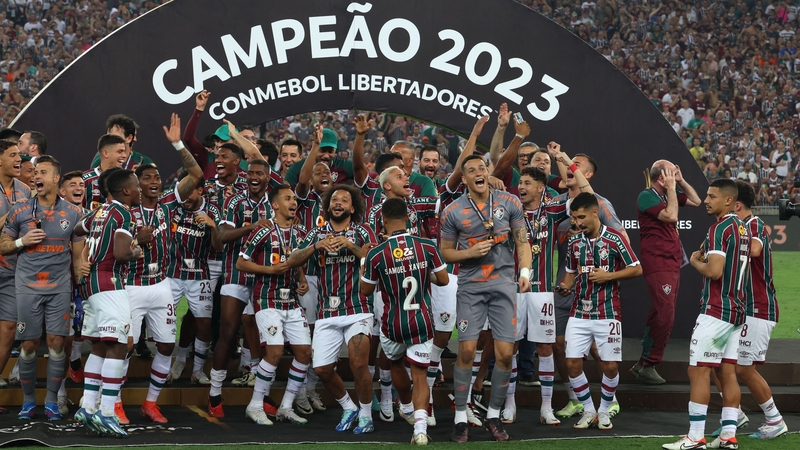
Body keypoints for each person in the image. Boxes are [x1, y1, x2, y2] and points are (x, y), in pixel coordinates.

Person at [440, 154, 532, 443]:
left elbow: (522, 242)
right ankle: (459, 417)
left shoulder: (510, 202)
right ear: (464, 178)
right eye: (471, 170)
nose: (479, 172)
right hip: (471, 287)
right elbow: (445, 253)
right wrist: (469, 253)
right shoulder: (452, 211)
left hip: (504, 285)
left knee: (505, 354)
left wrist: (526, 271)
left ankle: (493, 415)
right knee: (466, 352)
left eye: (483, 168)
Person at [126, 114, 207, 424]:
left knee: (165, 343)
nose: (155, 182)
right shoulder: (126, 211)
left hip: (161, 283)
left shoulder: (168, 204)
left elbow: (196, 173)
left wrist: (177, 143)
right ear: (135, 183)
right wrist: (135, 237)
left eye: (157, 178)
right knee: (127, 346)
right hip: (132, 284)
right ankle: (114, 404)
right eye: (148, 178)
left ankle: (150, 402)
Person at [506, 146, 594, 426]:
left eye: (527, 183)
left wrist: (565, 161)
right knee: (509, 349)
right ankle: (509, 404)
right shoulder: (509, 208)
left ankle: (546, 407)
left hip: (543, 290)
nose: (521, 187)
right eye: (520, 182)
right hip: (513, 289)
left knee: (544, 348)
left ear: (542, 187)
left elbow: (584, 194)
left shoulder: (553, 208)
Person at [663, 179, 749, 450]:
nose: (706, 200)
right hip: (738, 309)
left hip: (716, 309)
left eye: (712, 196)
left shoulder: (719, 228)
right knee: (728, 374)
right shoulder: (743, 228)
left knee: (698, 371)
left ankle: (695, 437)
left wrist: (696, 262)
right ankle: (728, 438)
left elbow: (714, 271)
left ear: (728, 201)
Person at [286, 185, 376, 434]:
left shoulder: (362, 231)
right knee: (322, 369)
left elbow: (374, 259)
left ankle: (366, 416)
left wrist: (350, 246)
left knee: (358, 364)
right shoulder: (316, 233)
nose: (338, 203)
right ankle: (349, 408)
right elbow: (292, 260)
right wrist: (317, 247)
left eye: (344, 200)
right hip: (327, 311)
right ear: (327, 207)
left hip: (358, 307)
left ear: (353, 207)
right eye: (334, 200)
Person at [0, 155, 83, 420]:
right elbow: (3, 244)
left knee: (57, 342)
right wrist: (22, 241)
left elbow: (80, 256)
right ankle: (27, 402)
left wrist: (83, 279)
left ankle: (50, 402)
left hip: (60, 289)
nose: (36, 176)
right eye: (35, 172)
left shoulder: (73, 213)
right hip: (27, 288)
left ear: (56, 179)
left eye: (43, 172)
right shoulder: (20, 210)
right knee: (29, 344)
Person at [360, 197, 449, 445]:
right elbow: (443, 280)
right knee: (420, 375)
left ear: (384, 220)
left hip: (392, 323)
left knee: (395, 363)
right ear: (409, 218)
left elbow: (365, 291)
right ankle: (420, 430)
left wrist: (362, 263)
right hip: (421, 321)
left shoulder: (377, 254)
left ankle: (407, 407)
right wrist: (422, 276)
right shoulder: (426, 246)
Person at [556, 193, 642, 430]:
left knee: (610, 366)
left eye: (581, 217)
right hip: (579, 313)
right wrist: (565, 287)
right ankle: (589, 410)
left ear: (595, 212)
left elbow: (636, 269)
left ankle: (604, 411)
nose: (578, 223)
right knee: (572, 364)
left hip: (608, 312)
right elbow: (570, 273)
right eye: (574, 218)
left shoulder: (615, 238)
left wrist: (609, 275)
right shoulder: (574, 243)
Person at [709, 181, 787, 441]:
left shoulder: (753, 227)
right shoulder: (739, 228)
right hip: (741, 309)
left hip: (758, 307)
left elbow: (753, 249)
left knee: (743, 369)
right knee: (713, 361)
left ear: (736, 204)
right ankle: (735, 414)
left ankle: (774, 419)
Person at [551, 152, 627, 419]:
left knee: (600, 354)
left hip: (599, 298)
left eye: (576, 164)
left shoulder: (601, 205)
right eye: (566, 163)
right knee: (561, 348)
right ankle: (578, 401)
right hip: (567, 290)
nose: (569, 167)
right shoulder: (557, 204)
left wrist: (606, 274)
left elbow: (624, 241)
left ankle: (609, 401)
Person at [73, 169, 143, 438]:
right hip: (109, 281)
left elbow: (79, 228)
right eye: (135, 185)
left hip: (90, 284)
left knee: (101, 345)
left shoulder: (100, 211)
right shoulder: (124, 213)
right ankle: (107, 411)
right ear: (126, 191)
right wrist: (138, 249)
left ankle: (88, 407)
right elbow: (121, 253)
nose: (138, 189)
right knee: (118, 345)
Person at [236, 185, 312, 426]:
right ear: (275, 205)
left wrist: (301, 279)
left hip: (291, 301)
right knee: (276, 352)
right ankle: (255, 405)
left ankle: (286, 407)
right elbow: (241, 263)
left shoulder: (300, 232)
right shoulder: (263, 231)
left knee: (304, 353)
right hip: (267, 300)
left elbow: (297, 257)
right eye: (287, 198)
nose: (293, 202)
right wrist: (268, 269)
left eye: (294, 198)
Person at [207, 159, 274, 417]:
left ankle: (263, 395)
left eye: (260, 174)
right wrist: (252, 227)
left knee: (268, 336)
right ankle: (214, 394)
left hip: (264, 278)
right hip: (235, 273)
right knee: (227, 331)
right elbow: (222, 236)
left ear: (268, 178)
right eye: (251, 173)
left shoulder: (274, 202)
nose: (254, 177)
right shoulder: (236, 202)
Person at [632, 160, 701, 384]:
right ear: (661, 178)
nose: (675, 178)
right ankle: (649, 364)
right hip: (658, 261)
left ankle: (643, 362)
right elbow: (671, 216)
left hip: (671, 261)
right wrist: (672, 190)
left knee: (660, 312)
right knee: (665, 314)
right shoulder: (647, 195)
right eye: (671, 174)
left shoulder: (665, 195)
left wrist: (681, 181)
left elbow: (696, 201)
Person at [0, 139, 31, 395]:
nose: (18, 159)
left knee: (9, 327)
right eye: (13, 155)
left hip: (14, 268)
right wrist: (12, 218)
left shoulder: (25, 190)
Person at [89, 114, 154, 170]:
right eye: (108, 137)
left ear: (129, 138)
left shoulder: (145, 162)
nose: (109, 141)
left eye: (115, 137)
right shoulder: (101, 158)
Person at [81, 134, 128, 210]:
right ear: (106, 153)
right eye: (120, 152)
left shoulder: (127, 181)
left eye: (124, 151)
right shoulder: (85, 180)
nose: (124, 155)